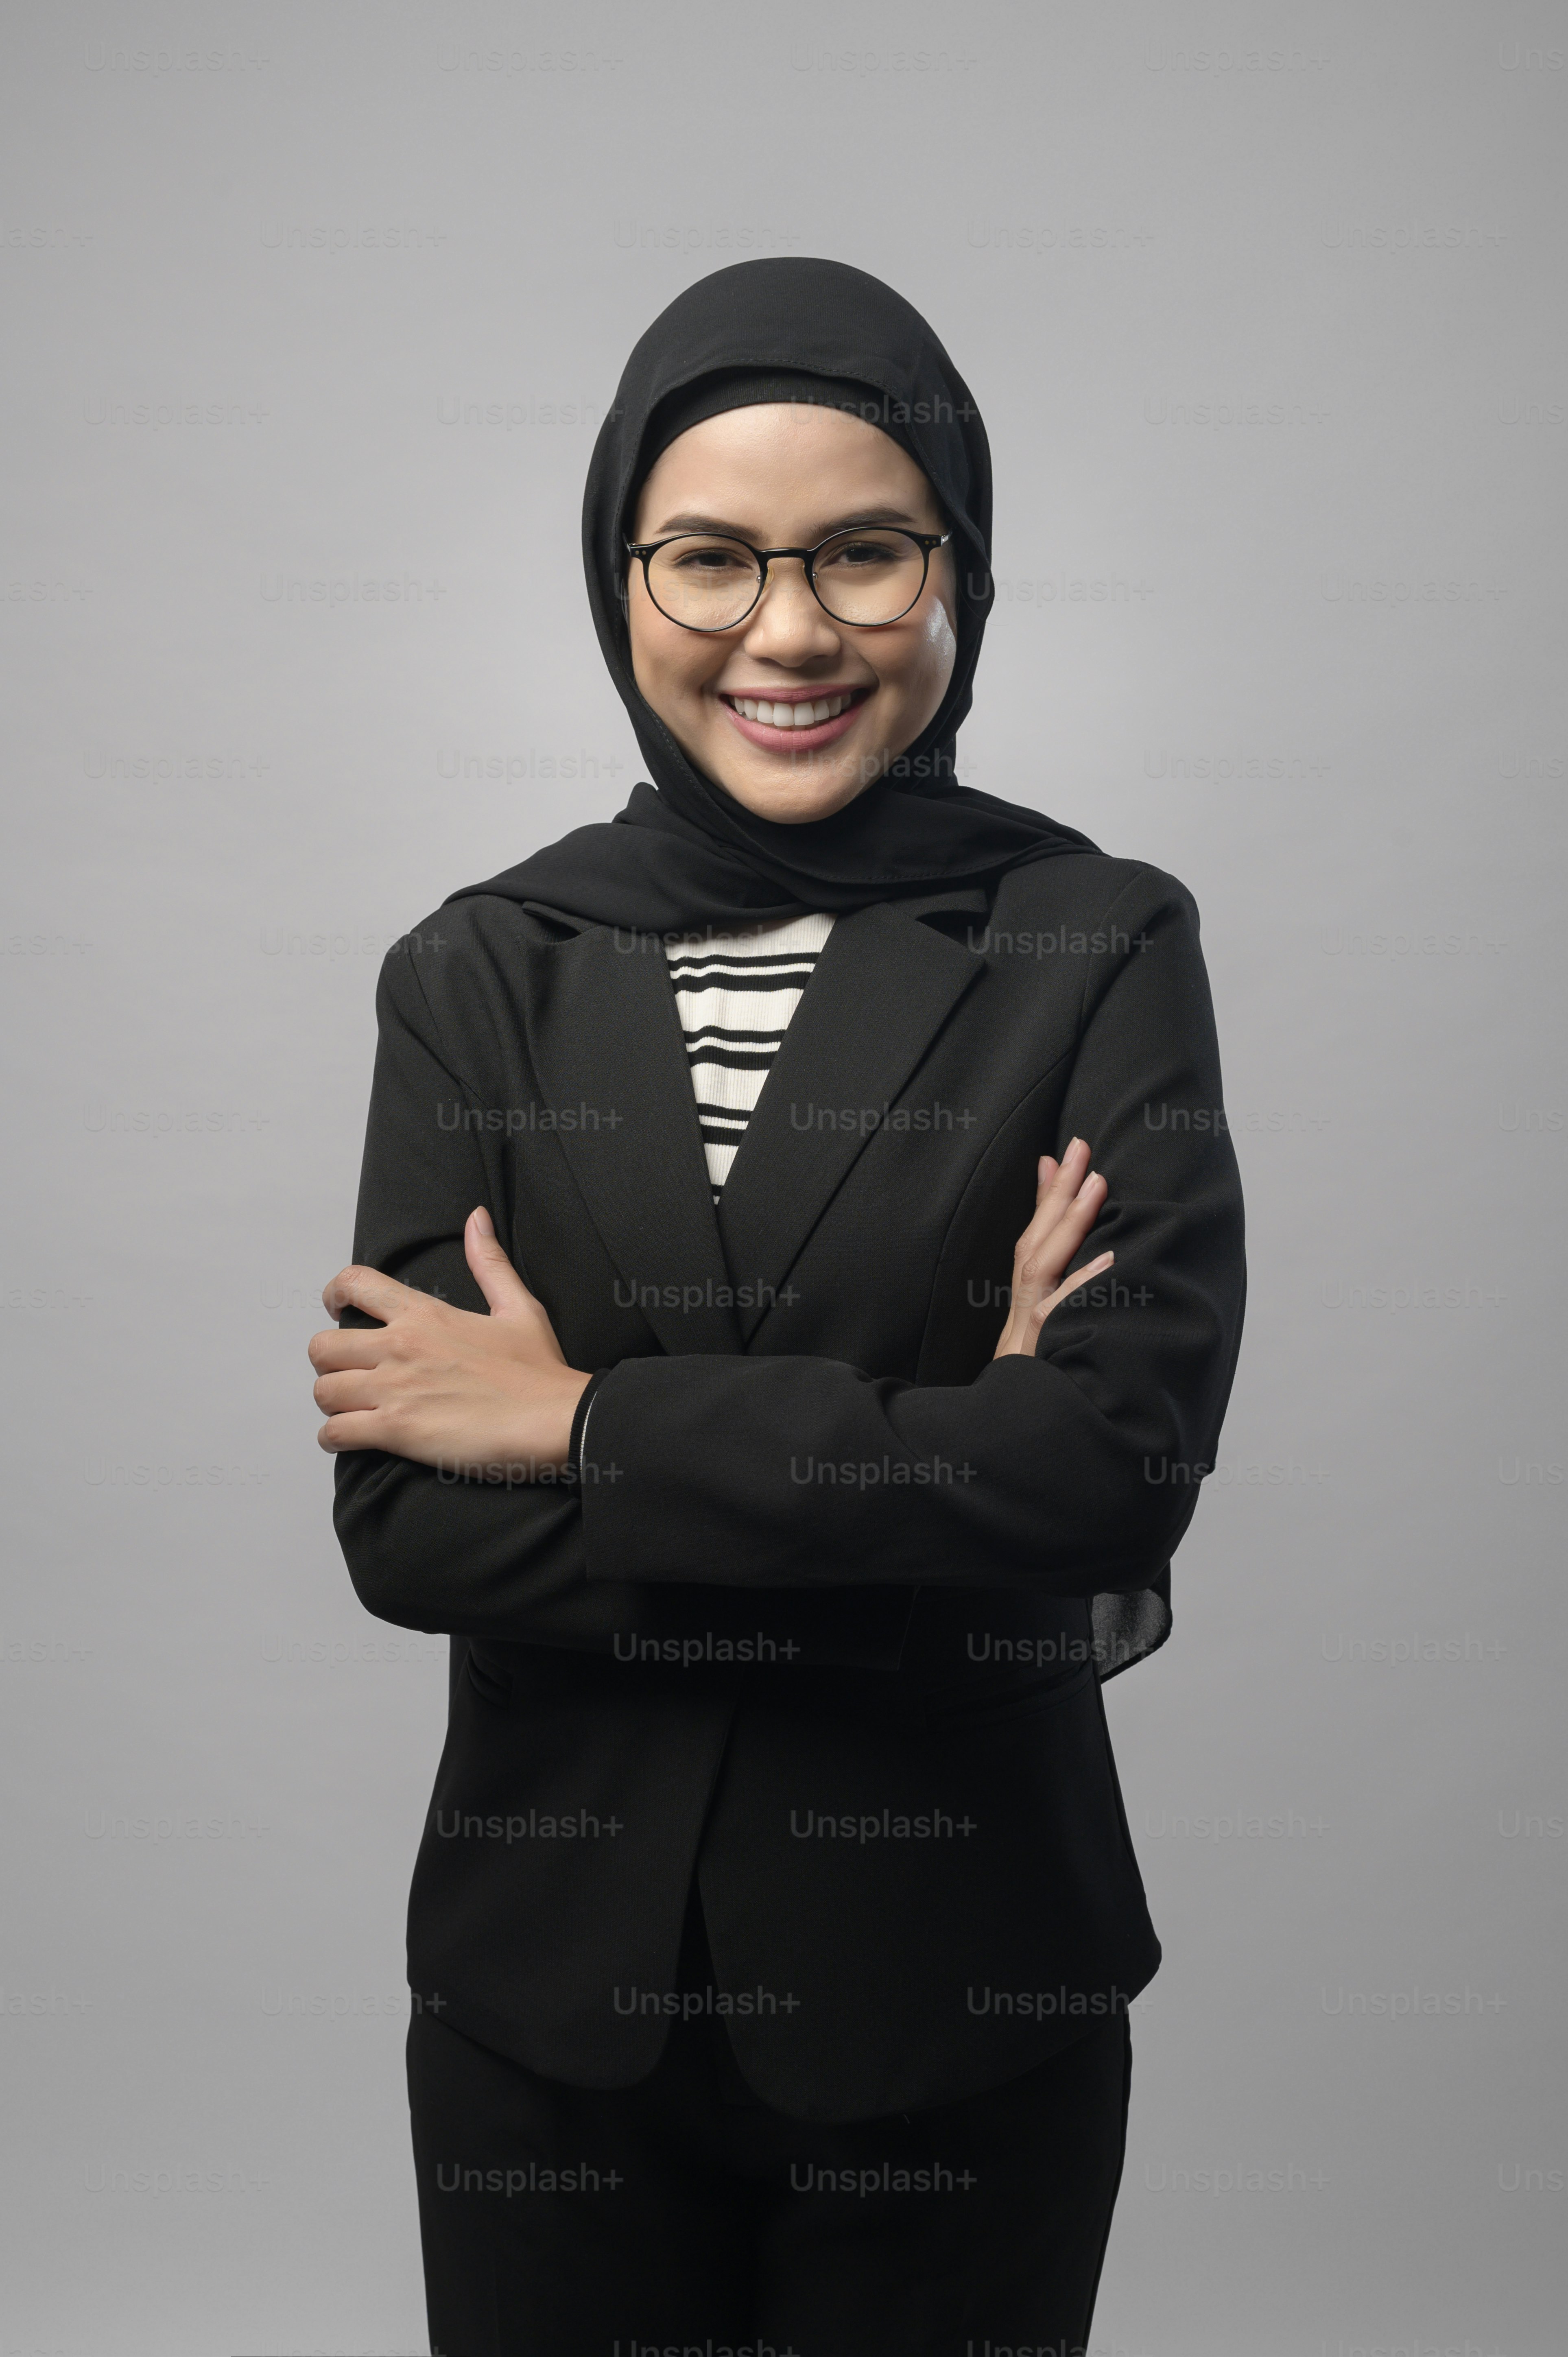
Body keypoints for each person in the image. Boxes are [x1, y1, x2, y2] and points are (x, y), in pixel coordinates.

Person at [310, 256, 1246, 2357]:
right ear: (619, 576)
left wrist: (577, 1425)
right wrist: (940, 1470)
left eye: (864, 552)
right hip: (548, 2002)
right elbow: (405, 1530)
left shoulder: (1092, 942)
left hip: (962, 1981)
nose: (791, 630)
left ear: (958, 569)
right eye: (712, 558)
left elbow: (1111, 1471)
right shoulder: (481, 970)